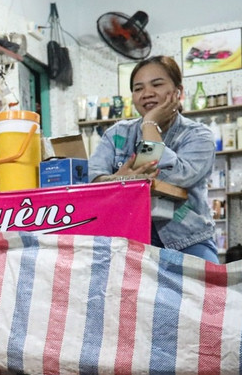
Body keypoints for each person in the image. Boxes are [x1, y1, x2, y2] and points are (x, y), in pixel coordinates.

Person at [86, 55, 219, 262]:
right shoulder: (117, 134)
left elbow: (167, 176)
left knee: (205, 293)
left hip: (187, 241)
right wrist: (116, 180)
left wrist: (149, 124)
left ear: (178, 92)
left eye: (156, 84)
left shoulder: (198, 136)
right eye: (138, 88)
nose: (147, 93)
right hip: (128, 242)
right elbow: (92, 179)